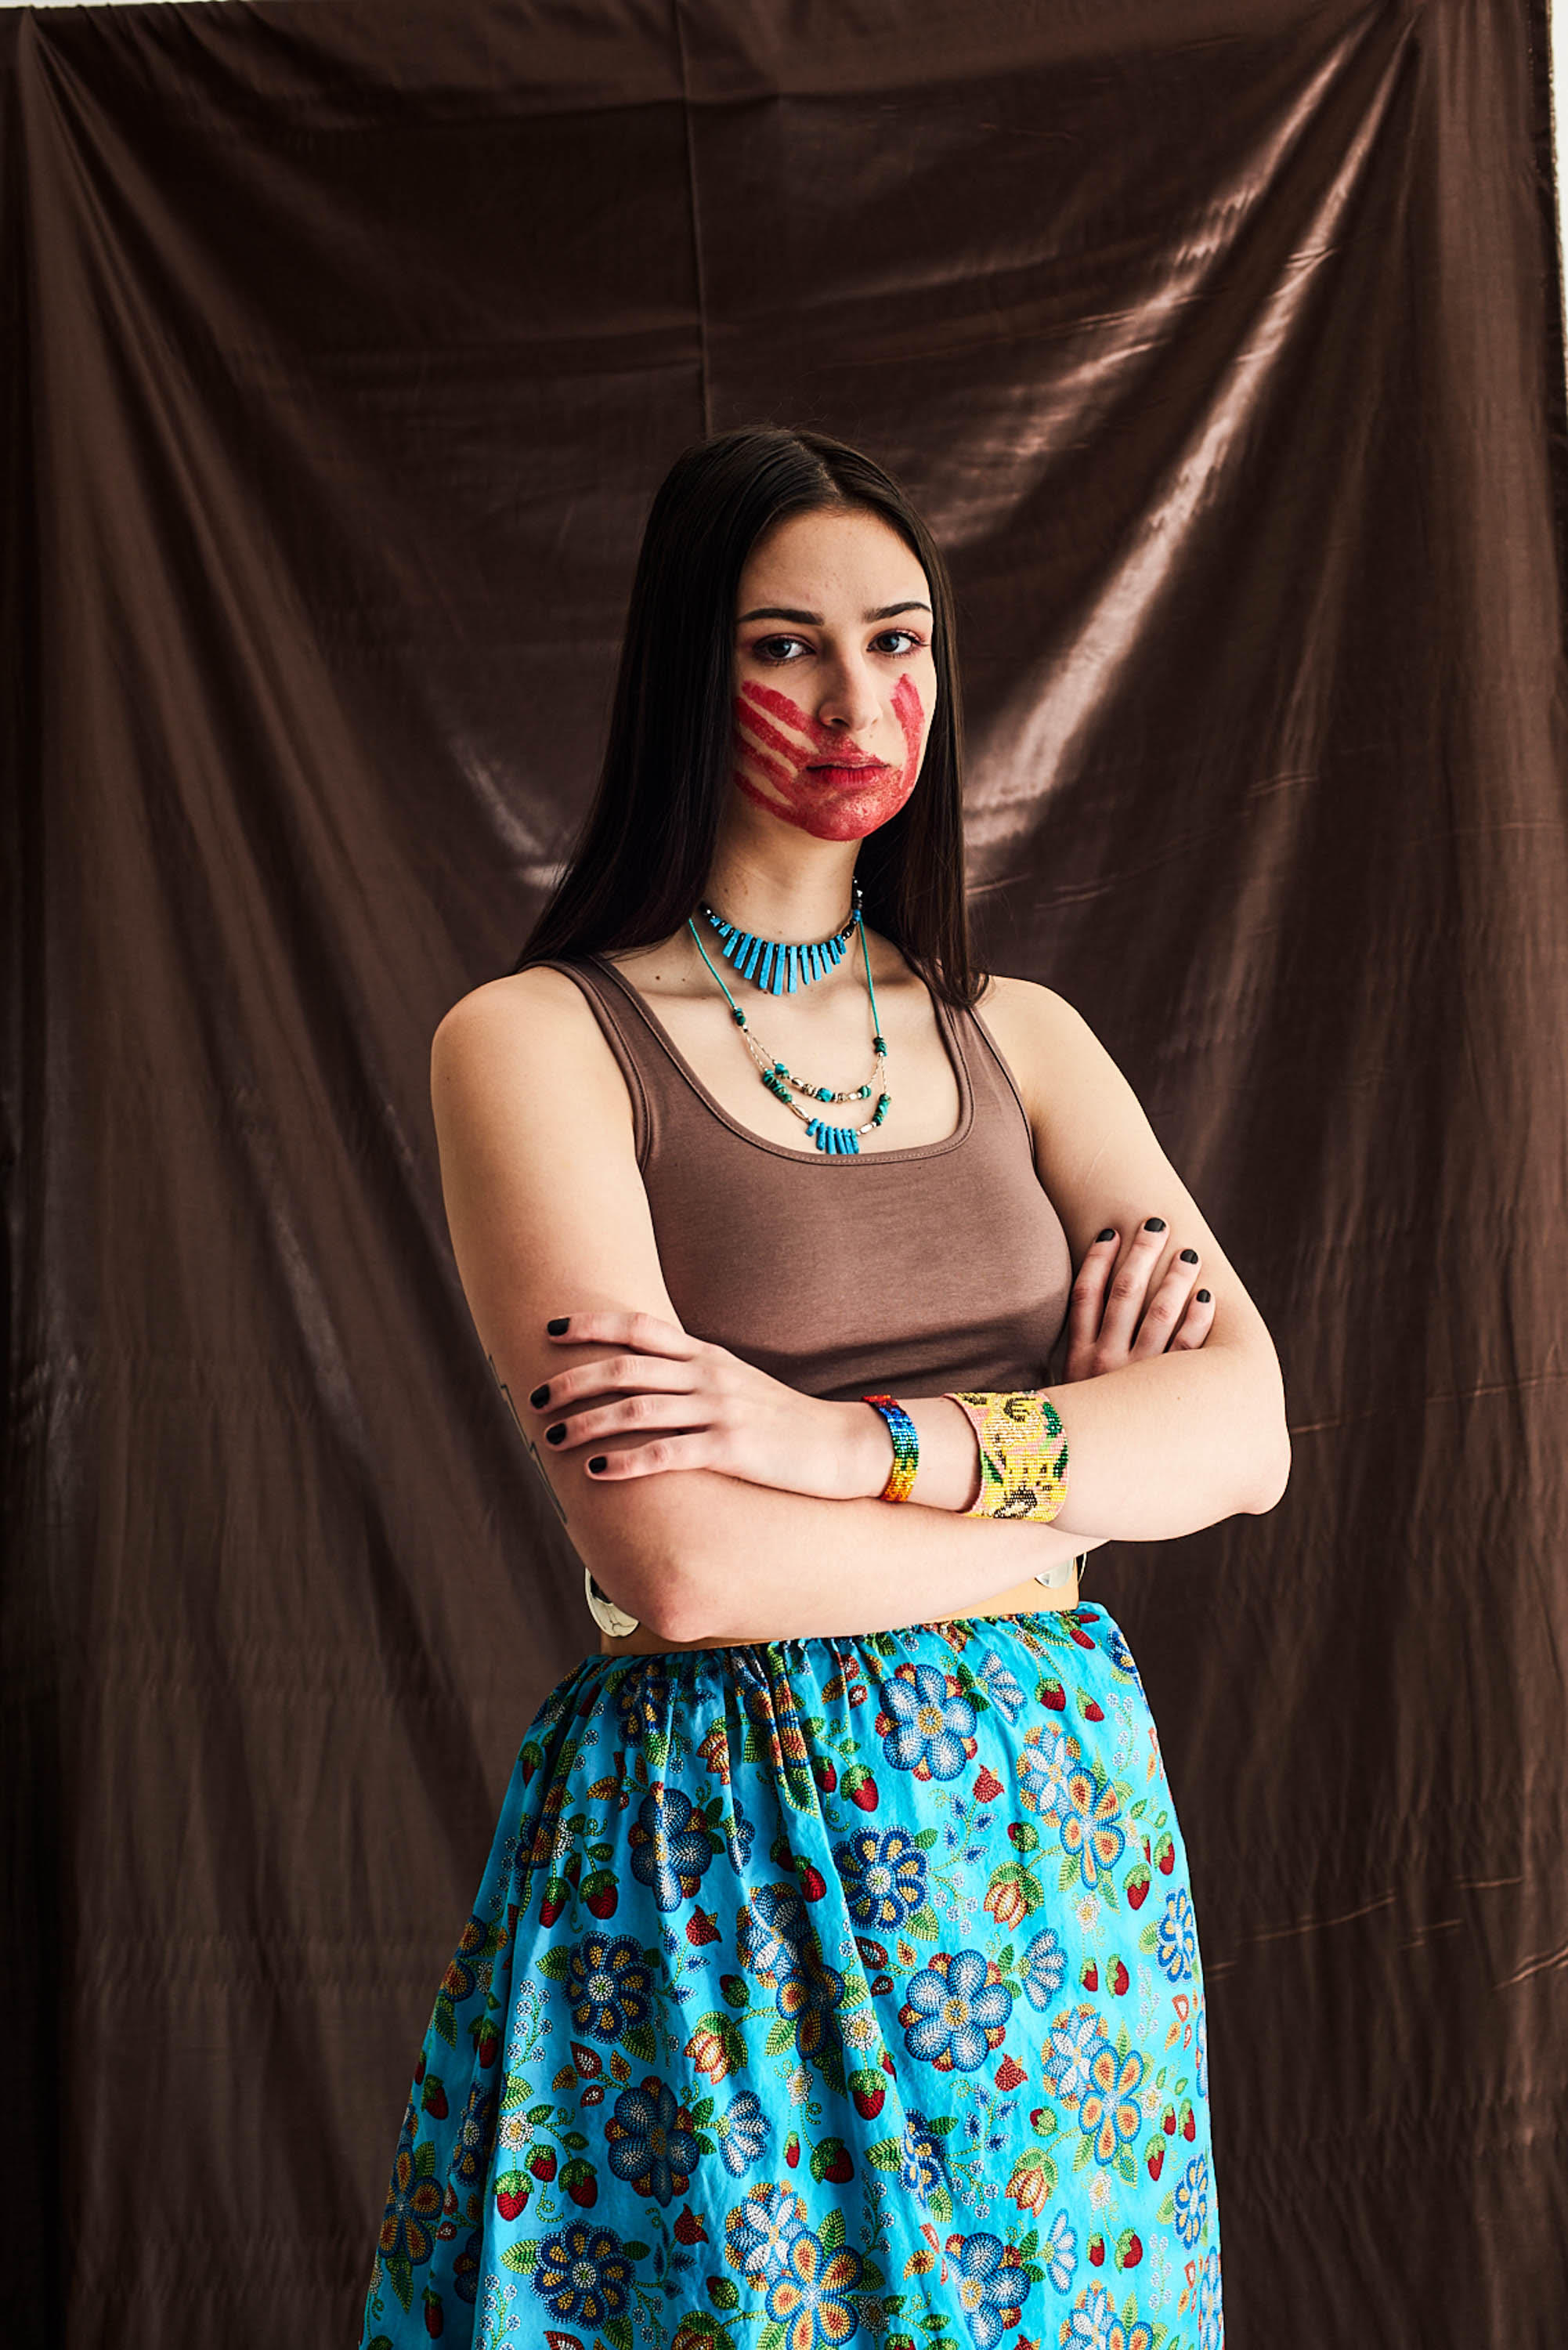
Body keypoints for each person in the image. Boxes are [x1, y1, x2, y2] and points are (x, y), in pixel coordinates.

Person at [358, 428, 1288, 2350]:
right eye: (785, 648)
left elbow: (1249, 1432)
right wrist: (1072, 1508)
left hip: (1054, 1863)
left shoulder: (1019, 1036)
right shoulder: (533, 1045)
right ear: (688, 675)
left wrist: (829, 1443)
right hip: (718, 1853)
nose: (858, 701)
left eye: (901, 642)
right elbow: (682, 1574)